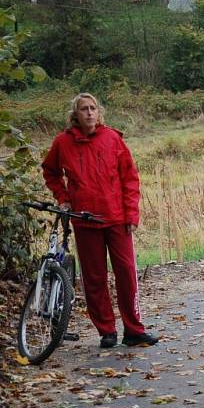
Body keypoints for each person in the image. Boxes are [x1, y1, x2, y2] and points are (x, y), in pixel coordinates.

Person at [42, 93, 158, 349]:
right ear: (76, 114)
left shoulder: (113, 138)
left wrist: (132, 214)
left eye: (93, 108)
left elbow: (130, 177)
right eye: (84, 109)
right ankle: (106, 331)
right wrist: (63, 198)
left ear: (99, 112)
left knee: (126, 273)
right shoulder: (63, 143)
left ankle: (133, 329)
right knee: (94, 278)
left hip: (117, 218)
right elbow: (50, 171)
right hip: (85, 220)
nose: (89, 113)